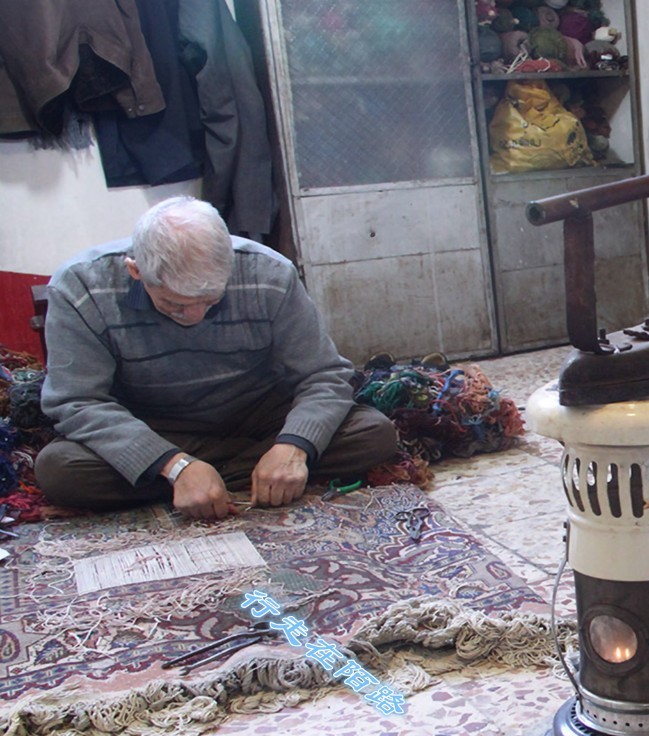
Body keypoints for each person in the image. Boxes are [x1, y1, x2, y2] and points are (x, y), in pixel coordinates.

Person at [37, 196, 399, 520]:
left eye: (210, 303)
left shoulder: (268, 273)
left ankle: (228, 474)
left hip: (255, 415)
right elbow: (78, 400)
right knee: (59, 470)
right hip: (152, 422)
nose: (193, 317)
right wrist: (173, 464)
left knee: (374, 433)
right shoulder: (80, 287)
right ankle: (213, 475)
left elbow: (325, 374)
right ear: (136, 272)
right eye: (175, 306)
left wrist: (293, 446)